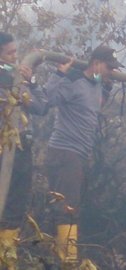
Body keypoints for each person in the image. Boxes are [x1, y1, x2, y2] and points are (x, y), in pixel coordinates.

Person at [41, 45, 123, 266]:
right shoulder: (74, 83)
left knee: (71, 205)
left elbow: (93, 108)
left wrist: (106, 86)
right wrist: (59, 74)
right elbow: (45, 101)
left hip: (80, 154)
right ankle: (66, 261)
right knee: (67, 208)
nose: (111, 72)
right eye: (109, 67)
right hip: (65, 152)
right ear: (96, 63)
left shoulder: (96, 85)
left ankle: (53, 257)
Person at [0, 31, 47, 270]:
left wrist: (32, 82)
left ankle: (7, 257)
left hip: (22, 149)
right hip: (3, 149)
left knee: (16, 204)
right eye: (10, 53)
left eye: (16, 52)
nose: (15, 58)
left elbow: (40, 107)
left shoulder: (20, 78)